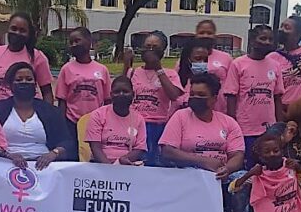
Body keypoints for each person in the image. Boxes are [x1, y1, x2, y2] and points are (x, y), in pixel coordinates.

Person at [0, 62, 72, 169]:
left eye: (29, 79)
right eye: (19, 80)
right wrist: (7, 155)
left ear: (35, 84)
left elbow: (67, 142)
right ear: (10, 85)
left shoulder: (50, 111)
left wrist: (54, 153)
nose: (24, 82)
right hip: (4, 165)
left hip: (43, 168)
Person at [159, 72, 244, 179]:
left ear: (214, 98)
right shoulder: (180, 117)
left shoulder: (229, 122)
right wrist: (203, 162)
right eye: (192, 94)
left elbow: (237, 155)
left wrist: (227, 169)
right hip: (189, 175)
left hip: (220, 175)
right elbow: (168, 151)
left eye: (201, 95)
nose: (195, 98)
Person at [225, 24, 285, 161]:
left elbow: (277, 97)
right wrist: (232, 124)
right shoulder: (238, 64)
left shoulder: (275, 66)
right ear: (252, 41)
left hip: (269, 130)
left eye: (270, 39)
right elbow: (231, 96)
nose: (267, 43)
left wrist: (280, 126)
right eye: (263, 38)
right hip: (245, 129)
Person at [122, 31, 182, 167]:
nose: (150, 51)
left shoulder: (170, 74)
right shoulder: (134, 72)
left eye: (155, 47)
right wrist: (126, 65)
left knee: (154, 163)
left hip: (157, 125)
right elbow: (121, 90)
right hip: (134, 123)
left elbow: (174, 95)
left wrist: (158, 69)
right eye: (147, 46)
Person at [0, 12, 53, 104]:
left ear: (28, 34)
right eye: (14, 29)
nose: (17, 33)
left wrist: (47, 114)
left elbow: (47, 92)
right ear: (8, 29)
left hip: (29, 113)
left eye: (22, 30)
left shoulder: (37, 56)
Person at [56, 27, 111, 145]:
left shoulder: (102, 70)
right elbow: (62, 101)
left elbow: (108, 101)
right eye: (71, 42)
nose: (74, 45)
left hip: (96, 123)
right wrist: (61, 126)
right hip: (72, 122)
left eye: (77, 40)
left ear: (89, 41)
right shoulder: (66, 69)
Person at [84, 75, 147, 164]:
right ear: (111, 95)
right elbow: (95, 148)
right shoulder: (98, 115)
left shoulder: (139, 119)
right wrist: (111, 169)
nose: (121, 94)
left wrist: (122, 161)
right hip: (100, 165)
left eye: (125, 91)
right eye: (117, 92)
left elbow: (139, 149)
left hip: (126, 165)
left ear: (133, 94)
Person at [195, 19, 234, 112]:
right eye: (201, 32)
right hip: (194, 109)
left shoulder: (226, 58)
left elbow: (232, 88)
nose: (205, 35)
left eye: (209, 33)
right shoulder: (186, 58)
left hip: (220, 109)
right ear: (196, 36)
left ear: (215, 36)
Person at [175, 37, 213, 110]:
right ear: (188, 58)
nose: (202, 63)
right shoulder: (176, 78)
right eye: (198, 59)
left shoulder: (210, 80)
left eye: (205, 60)